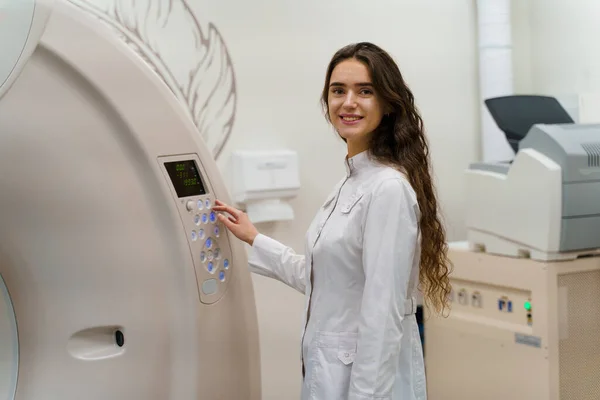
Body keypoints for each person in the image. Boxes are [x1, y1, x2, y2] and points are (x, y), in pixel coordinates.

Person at [213, 42, 452, 400]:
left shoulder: (387, 189)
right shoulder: (350, 181)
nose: (348, 102)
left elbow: (382, 316)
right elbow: (321, 277)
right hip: (329, 374)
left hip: (366, 386)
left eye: (365, 91)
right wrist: (254, 238)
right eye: (338, 90)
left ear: (387, 104)